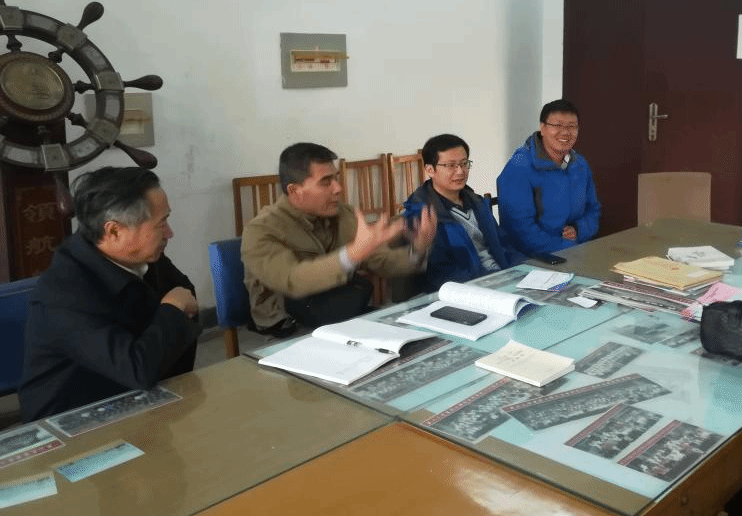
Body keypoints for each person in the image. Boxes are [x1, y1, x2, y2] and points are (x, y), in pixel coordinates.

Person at [19, 167, 202, 422]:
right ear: (114, 231)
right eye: (161, 223)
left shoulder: (144, 256)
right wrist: (171, 310)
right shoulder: (63, 293)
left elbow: (185, 294)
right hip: (73, 423)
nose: (169, 233)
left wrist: (175, 308)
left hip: (138, 405)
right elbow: (137, 369)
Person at [241, 143, 437, 333]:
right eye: (326, 181)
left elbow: (382, 262)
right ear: (294, 190)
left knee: (412, 333)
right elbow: (292, 280)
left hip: (339, 313)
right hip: (289, 327)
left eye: (336, 178)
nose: (338, 188)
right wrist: (353, 254)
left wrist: (418, 248)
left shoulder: (344, 214)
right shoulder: (261, 230)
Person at [403, 134, 525, 293]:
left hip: (504, 279)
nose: (460, 171)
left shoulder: (477, 202)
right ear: (430, 170)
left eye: (464, 163)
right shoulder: (422, 214)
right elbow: (441, 274)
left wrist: (527, 269)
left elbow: (503, 245)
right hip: (470, 290)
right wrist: (492, 282)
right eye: (450, 165)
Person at [497, 99, 601, 256]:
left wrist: (579, 230)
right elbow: (520, 231)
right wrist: (567, 247)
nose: (565, 132)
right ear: (543, 128)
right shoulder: (519, 167)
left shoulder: (580, 164)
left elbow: (593, 209)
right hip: (531, 258)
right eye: (557, 125)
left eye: (571, 126)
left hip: (576, 251)